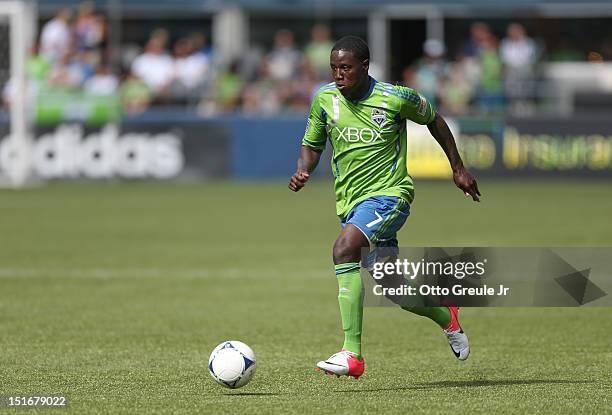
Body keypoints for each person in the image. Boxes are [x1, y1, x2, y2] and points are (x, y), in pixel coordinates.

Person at [288, 36, 481, 379]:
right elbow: (312, 144)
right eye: (333, 67)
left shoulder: (394, 97)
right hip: (350, 202)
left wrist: (458, 168)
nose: (338, 74)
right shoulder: (324, 99)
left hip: (390, 195)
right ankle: (447, 317)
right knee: (395, 288)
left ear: (364, 66)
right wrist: (305, 168)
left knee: (343, 248)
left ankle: (353, 355)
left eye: (345, 67)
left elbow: (434, 119)